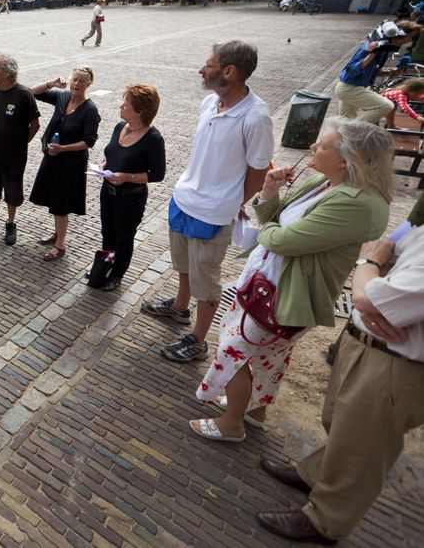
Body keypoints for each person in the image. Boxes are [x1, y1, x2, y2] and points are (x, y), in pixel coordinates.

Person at [189, 120, 392, 443]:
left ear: (345, 158)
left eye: (322, 145)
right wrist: (269, 193)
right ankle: (255, 412)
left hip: (281, 293)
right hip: (271, 283)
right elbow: (277, 219)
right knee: (271, 355)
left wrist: (267, 235)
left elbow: (283, 239)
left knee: (233, 351)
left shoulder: (356, 203)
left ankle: (231, 424)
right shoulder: (323, 183)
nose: (313, 147)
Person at [254, 214, 423, 544]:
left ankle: (326, 521)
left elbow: (369, 293)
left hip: (397, 361)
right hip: (368, 343)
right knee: (342, 423)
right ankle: (316, 474)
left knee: (364, 446)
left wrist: (368, 263)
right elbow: (381, 269)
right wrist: (373, 274)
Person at [141, 41, 274, 363]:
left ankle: (198, 340)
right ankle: (178, 307)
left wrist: (234, 202)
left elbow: (259, 171)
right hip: (185, 200)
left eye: (208, 65)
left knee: (207, 281)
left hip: (214, 213)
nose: (202, 70)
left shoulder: (255, 117)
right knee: (184, 266)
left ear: (229, 71)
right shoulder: (209, 103)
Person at [27, 66, 101, 261]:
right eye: (74, 80)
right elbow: (31, 92)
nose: (76, 84)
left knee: (61, 202)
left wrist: (63, 149)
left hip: (71, 163)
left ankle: (60, 245)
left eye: (81, 81)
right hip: (53, 157)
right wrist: (51, 83)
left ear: (88, 84)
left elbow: (89, 142)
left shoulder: (90, 110)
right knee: (53, 198)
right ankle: (57, 233)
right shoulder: (62, 97)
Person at [97, 84, 166, 289]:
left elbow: (157, 175)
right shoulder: (120, 127)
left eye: (125, 104)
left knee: (124, 238)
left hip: (130, 198)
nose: (121, 106)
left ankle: (117, 275)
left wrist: (127, 176)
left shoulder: (153, 139)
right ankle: (104, 267)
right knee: (107, 233)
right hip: (108, 192)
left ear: (139, 112)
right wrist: (105, 165)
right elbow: (113, 154)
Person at [0, 54, 41, 246]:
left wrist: (21, 143)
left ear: (6, 73)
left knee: (13, 191)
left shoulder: (24, 95)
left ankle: (11, 223)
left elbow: (35, 124)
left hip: (14, 156)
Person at [335, 20, 421, 123]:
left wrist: (387, 72)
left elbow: (369, 71)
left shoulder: (382, 48)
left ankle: (345, 133)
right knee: (386, 106)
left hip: (350, 88)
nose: (410, 41)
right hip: (349, 89)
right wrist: (372, 54)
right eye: (410, 36)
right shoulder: (372, 47)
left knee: (344, 121)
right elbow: (352, 71)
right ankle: (354, 128)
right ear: (397, 36)